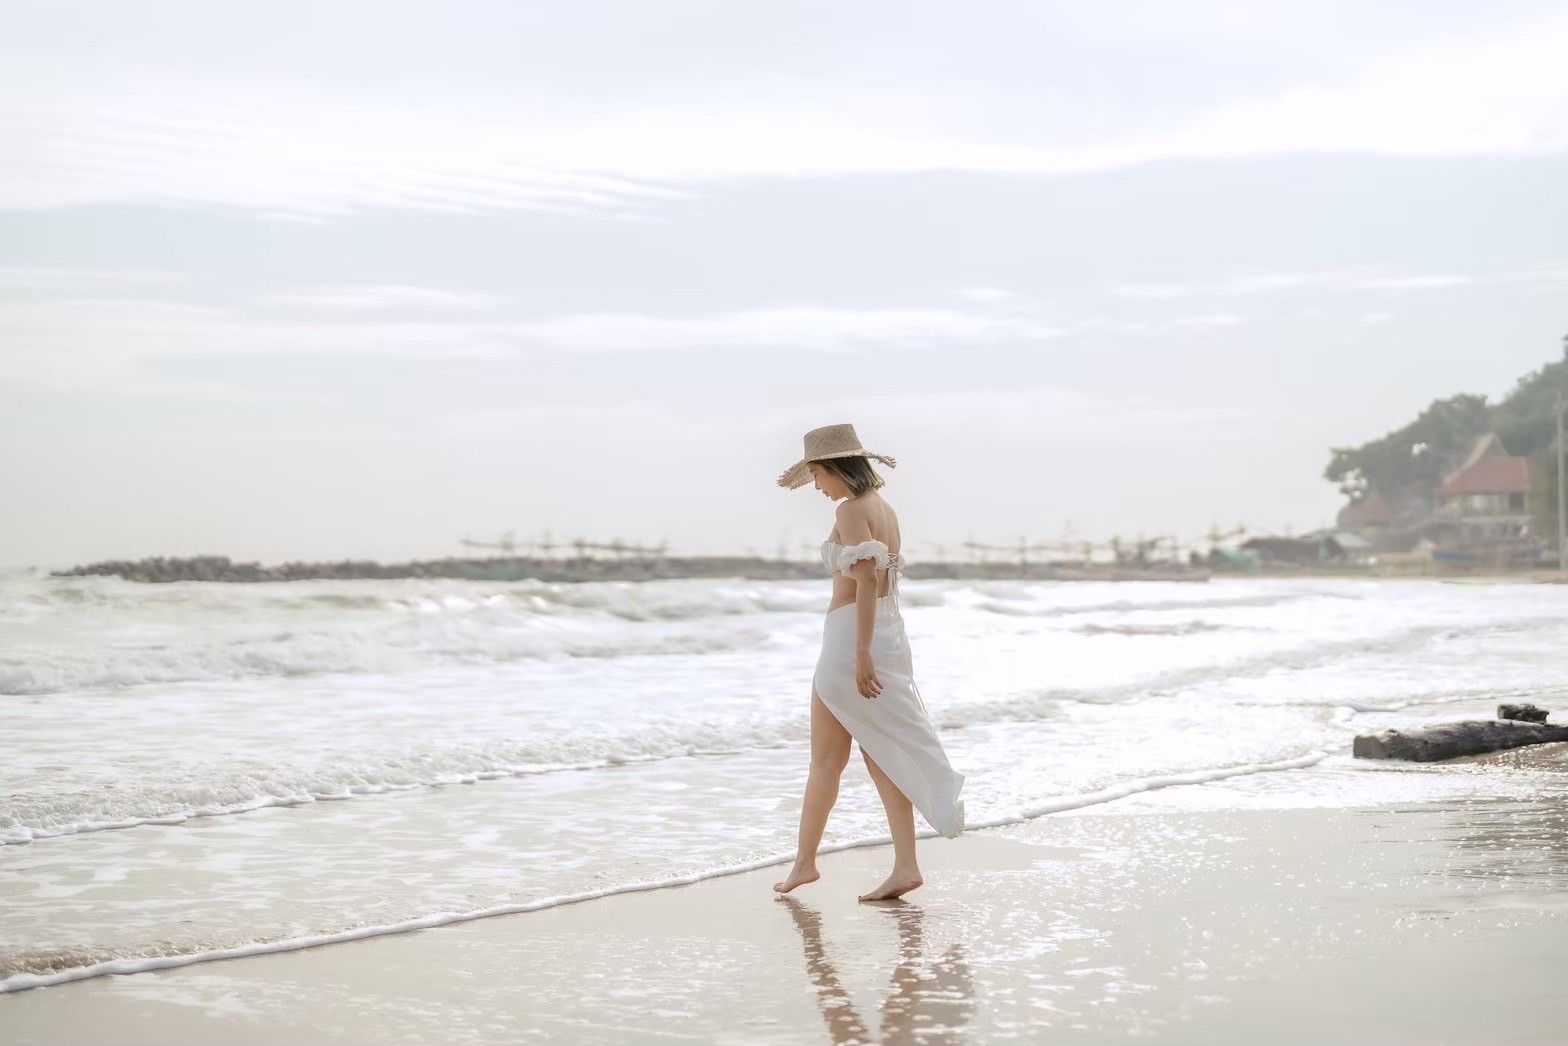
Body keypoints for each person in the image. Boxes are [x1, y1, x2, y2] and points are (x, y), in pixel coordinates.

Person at [772, 423, 966, 901]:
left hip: (851, 641)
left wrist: (860, 656)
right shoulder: (886, 510)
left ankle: (805, 863)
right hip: (888, 633)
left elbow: (864, 582)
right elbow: (882, 584)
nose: (818, 488)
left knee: (825, 761)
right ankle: (903, 865)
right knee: (881, 753)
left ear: (836, 468)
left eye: (817, 475)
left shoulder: (851, 508)